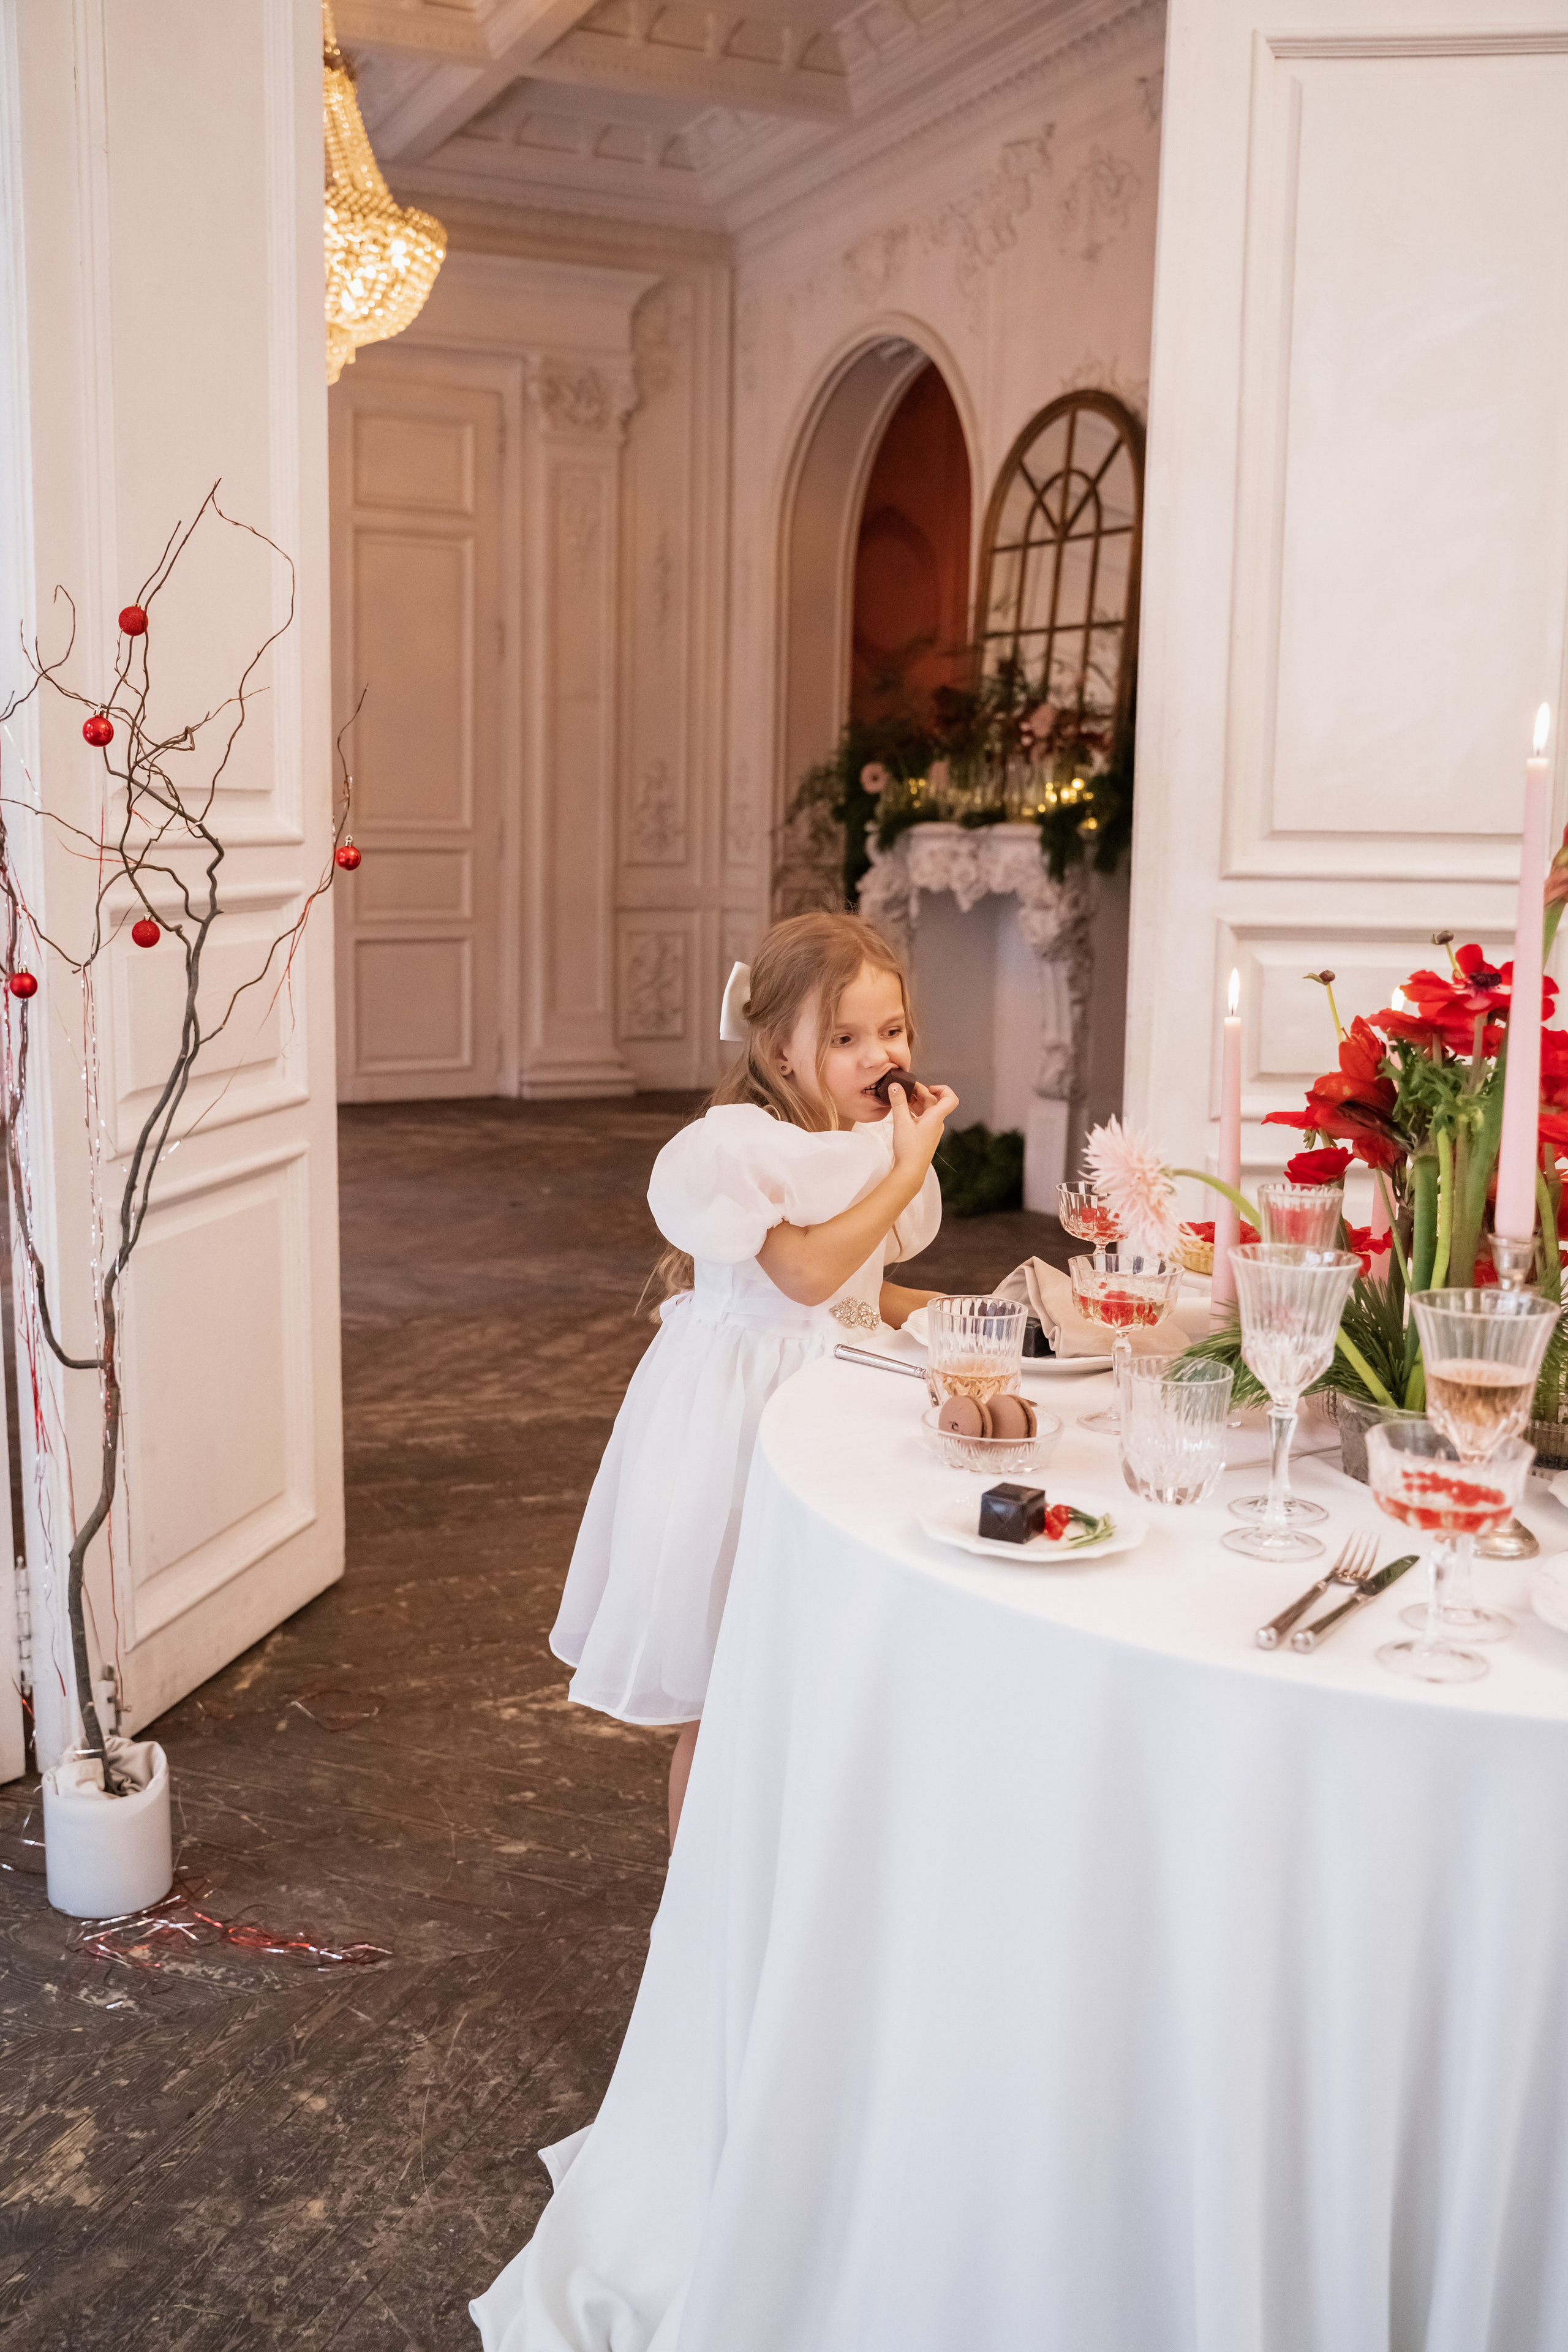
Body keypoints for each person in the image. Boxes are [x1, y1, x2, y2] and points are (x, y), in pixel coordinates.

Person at [549, 910, 957, 1843]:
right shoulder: (740, 1148)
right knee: (729, 1683)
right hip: (746, 1422)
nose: (878, 1057)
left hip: (844, 1394)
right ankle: (698, 1897)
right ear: (779, 1051)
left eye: (891, 1032)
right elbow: (804, 1276)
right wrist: (910, 1164)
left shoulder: (860, 1146)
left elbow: (855, 1291)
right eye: (845, 1039)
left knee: (819, 1676)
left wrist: (976, 1315)